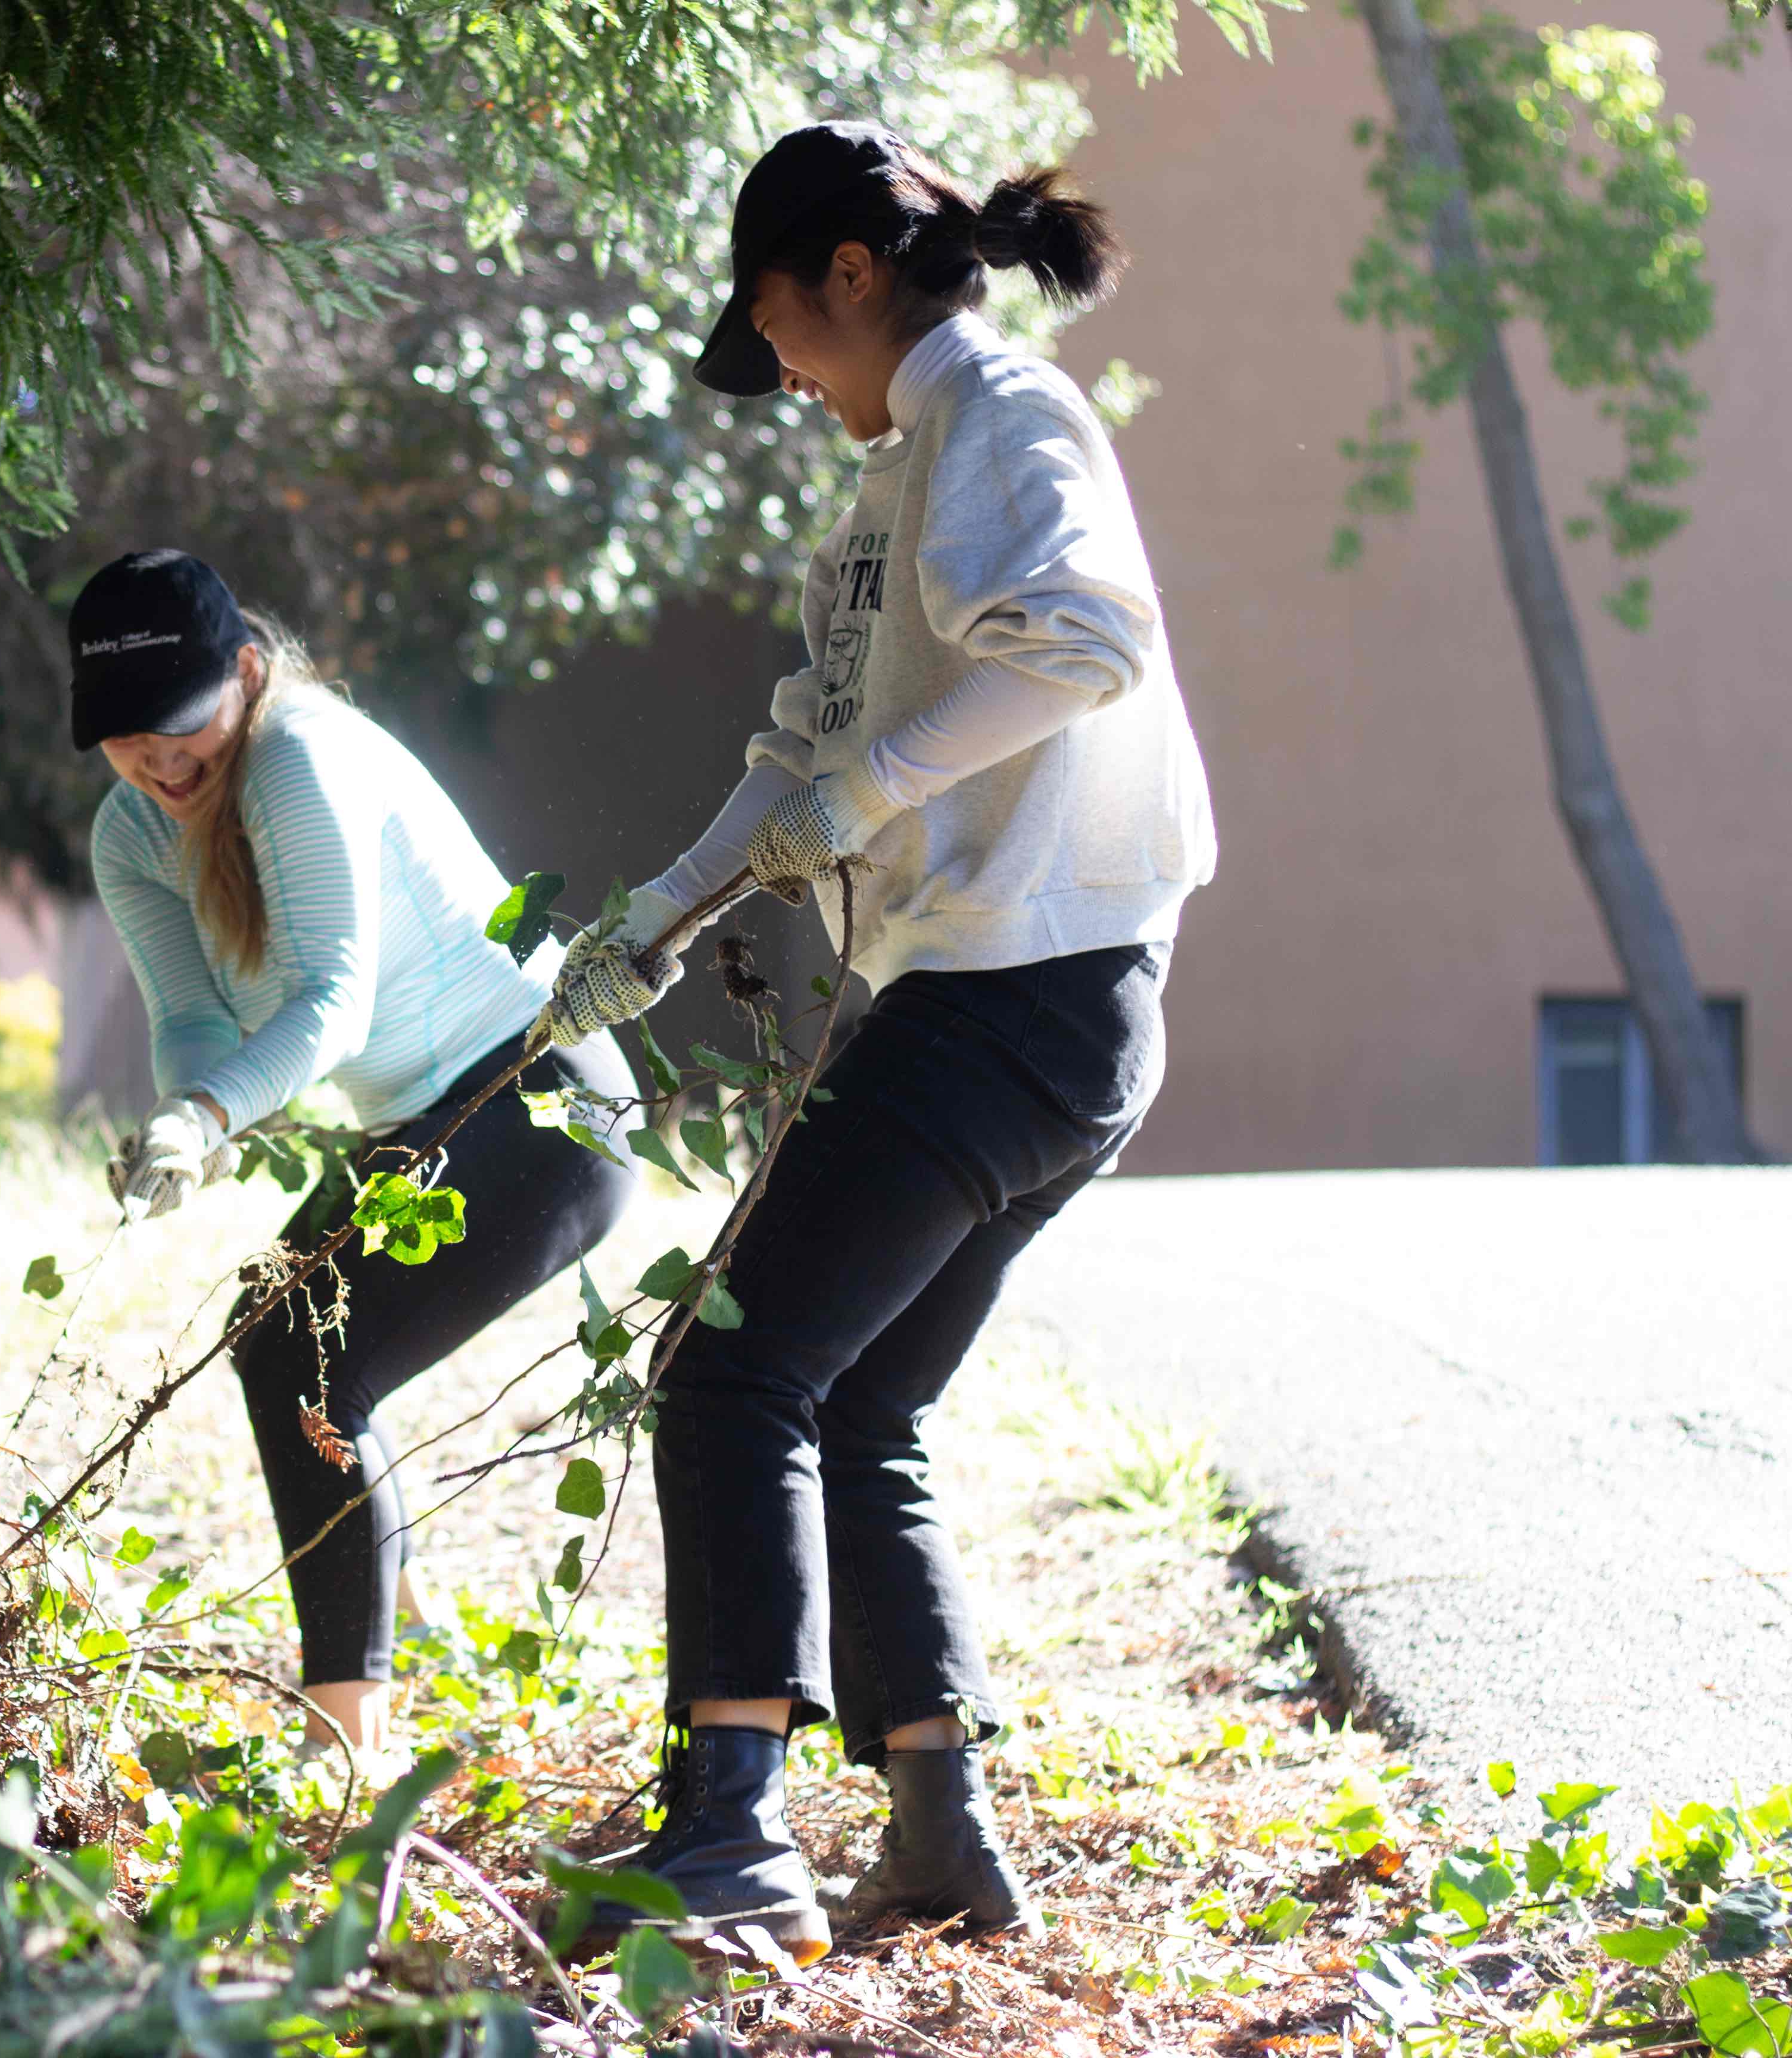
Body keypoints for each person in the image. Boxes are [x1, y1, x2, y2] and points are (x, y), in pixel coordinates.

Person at [541, 121, 1216, 1961]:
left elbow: (1087, 644)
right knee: (862, 1403)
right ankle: (936, 1835)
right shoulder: (888, 484)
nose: (781, 377)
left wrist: (873, 786)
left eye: (777, 331)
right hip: (1008, 1008)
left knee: (730, 1371)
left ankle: (729, 1833)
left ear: (847, 273)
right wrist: (651, 933)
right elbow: (795, 763)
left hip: (1029, 992)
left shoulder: (1002, 412)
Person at [77, 548, 642, 1758]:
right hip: (425, 1121)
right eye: (129, 740)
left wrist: (215, 1117)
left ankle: (349, 1743)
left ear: (245, 672)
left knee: (298, 1355)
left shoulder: (298, 755)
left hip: (543, 1098)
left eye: (182, 726)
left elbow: (330, 1002)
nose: (163, 762)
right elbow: (190, 1018)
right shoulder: (130, 834)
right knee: (287, 1337)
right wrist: (189, 1118)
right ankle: (405, 1639)